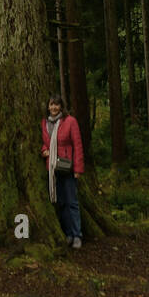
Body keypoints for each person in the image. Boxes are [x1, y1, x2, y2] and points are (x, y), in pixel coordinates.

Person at [41, 93, 84, 249]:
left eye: (57, 105)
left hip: (68, 168)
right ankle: (68, 234)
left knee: (72, 202)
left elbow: (77, 146)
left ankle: (77, 235)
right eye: (51, 104)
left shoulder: (70, 121)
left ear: (61, 107)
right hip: (53, 169)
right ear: (48, 106)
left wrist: (78, 169)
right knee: (61, 203)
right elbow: (44, 143)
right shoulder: (45, 123)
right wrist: (44, 150)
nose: (54, 107)